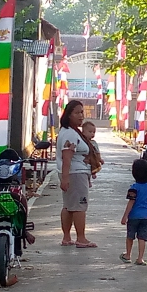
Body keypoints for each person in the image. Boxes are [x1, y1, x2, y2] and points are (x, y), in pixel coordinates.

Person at [57, 100, 97, 248]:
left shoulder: (69, 131)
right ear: (69, 115)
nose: (81, 116)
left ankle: (67, 237)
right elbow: (67, 157)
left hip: (71, 173)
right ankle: (81, 238)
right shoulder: (70, 134)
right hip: (75, 174)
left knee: (68, 206)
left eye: (82, 112)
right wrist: (66, 178)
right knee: (79, 206)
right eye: (77, 113)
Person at [120, 159, 147, 266]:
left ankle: (128, 255)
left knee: (130, 236)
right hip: (146, 216)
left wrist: (125, 216)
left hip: (134, 216)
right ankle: (140, 258)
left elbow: (131, 203)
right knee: (142, 237)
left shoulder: (134, 188)